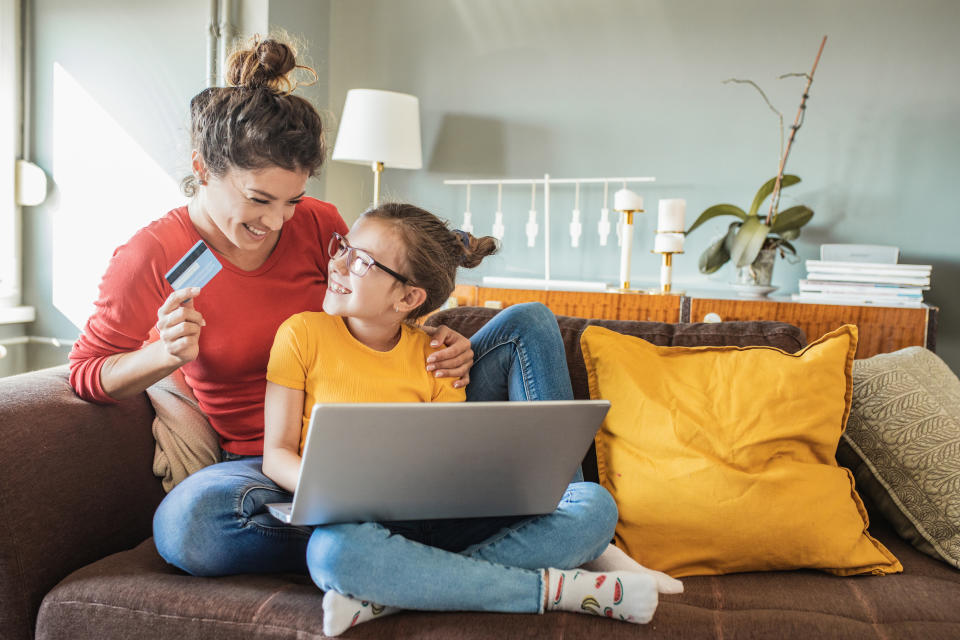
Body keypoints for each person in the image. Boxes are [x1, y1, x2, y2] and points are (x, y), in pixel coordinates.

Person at [62, 35, 606, 593]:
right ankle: (491, 555)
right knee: (188, 527)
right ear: (203, 169)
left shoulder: (319, 224)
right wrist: (162, 355)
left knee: (530, 325)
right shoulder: (150, 254)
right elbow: (86, 372)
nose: (277, 222)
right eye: (258, 199)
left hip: (386, 435)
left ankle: (540, 518)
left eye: (291, 200)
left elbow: (378, 303)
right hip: (270, 463)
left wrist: (438, 340)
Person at [262, 202, 665, 636]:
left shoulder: (438, 356)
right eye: (342, 247)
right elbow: (277, 454)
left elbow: (447, 465)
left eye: (360, 260)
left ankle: (392, 596)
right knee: (332, 553)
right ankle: (551, 589)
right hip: (360, 526)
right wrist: (333, 492)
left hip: (438, 521)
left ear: (409, 298)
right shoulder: (300, 335)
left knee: (595, 508)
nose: (337, 263)